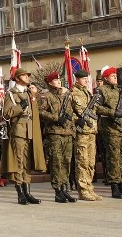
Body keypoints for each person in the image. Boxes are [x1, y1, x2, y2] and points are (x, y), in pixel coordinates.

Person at [1, 68, 45, 205]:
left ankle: (27, 192)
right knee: (18, 161)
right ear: (18, 78)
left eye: (27, 75)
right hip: (19, 131)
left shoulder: (28, 92)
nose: (27, 77)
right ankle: (20, 192)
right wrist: (21, 107)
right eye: (25, 75)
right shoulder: (11, 94)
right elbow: (6, 113)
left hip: (30, 131)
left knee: (27, 162)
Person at [96, 67, 122, 199]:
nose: (115, 77)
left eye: (115, 75)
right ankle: (114, 186)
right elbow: (97, 107)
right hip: (111, 128)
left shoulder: (120, 90)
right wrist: (112, 113)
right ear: (106, 78)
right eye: (112, 76)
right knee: (114, 157)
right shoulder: (102, 90)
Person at [38, 71, 76, 203]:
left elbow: (71, 113)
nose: (59, 82)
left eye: (59, 80)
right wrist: (55, 118)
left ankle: (65, 188)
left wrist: (72, 129)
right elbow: (40, 111)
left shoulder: (65, 95)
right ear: (49, 83)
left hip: (67, 133)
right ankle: (57, 190)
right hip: (54, 133)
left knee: (66, 161)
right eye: (55, 80)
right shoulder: (46, 96)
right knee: (56, 162)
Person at [70, 69, 101, 201]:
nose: (87, 80)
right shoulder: (72, 93)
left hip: (91, 131)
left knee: (90, 162)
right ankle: (83, 190)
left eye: (87, 78)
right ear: (77, 79)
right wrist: (77, 120)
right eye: (84, 79)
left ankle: (89, 187)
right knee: (82, 161)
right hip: (82, 133)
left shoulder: (87, 93)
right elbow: (68, 113)